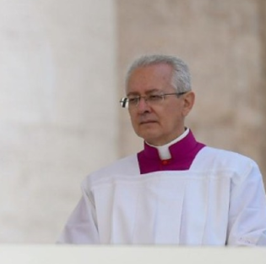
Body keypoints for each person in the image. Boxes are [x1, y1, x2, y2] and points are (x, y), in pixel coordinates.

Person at [60, 54, 266, 246]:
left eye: (154, 96)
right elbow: (73, 262)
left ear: (186, 103)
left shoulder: (235, 174)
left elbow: (249, 258)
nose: (142, 108)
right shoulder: (102, 185)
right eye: (133, 99)